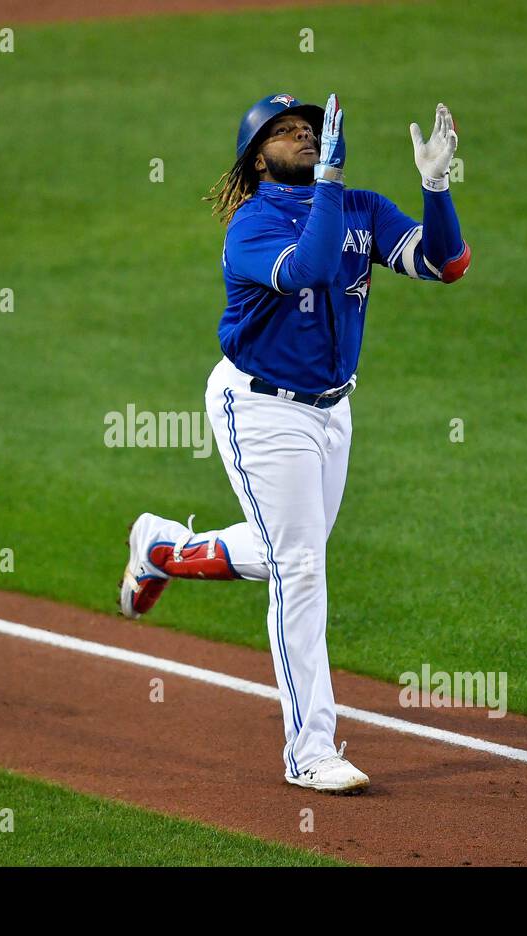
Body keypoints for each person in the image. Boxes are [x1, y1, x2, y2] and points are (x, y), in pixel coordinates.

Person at [119, 92, 471, 794]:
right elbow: (307, 269)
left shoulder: (361, 208)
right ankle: (310, 751)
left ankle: (162, 549)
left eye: (309, 128)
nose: (304, 137)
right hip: (260, 407)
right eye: (285, 132)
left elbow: (446, 264)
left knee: (288, 554)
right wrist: (331, 188)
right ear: (259, 158)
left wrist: (436, 188)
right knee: (301, 571)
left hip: (332, 411)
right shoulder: (252, 225)